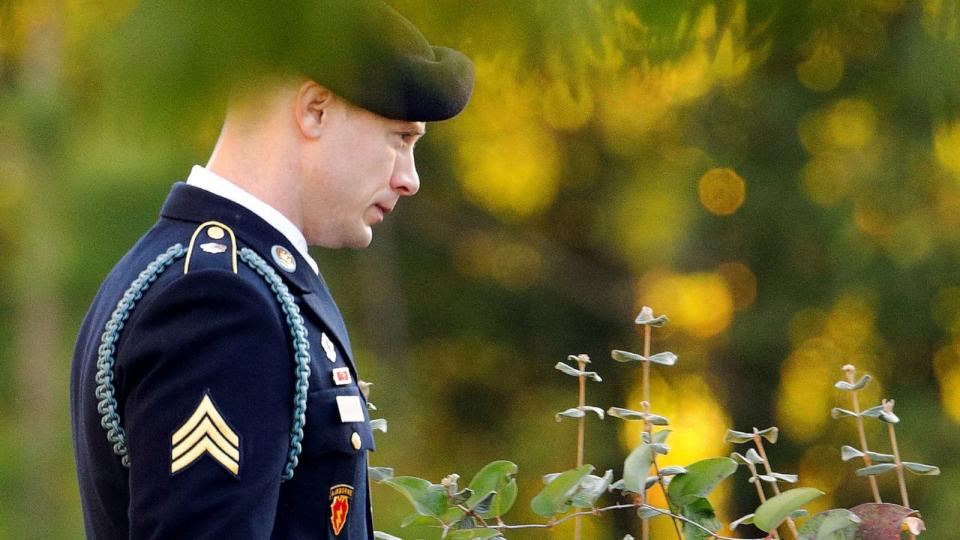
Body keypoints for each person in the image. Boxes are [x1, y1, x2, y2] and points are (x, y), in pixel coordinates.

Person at [69, 1, 473, 538]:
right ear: (315, 110)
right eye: (401, 138)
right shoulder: (218, 300)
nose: (409, 179)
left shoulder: (198, 271)